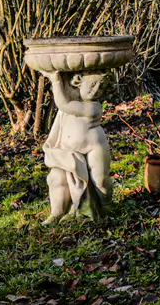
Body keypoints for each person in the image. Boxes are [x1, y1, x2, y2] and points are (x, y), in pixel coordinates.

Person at [43, 70, 112, 224]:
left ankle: (106, 205)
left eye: (100, 88)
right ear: (78, 82)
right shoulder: (73, 105)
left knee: (100, 181)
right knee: (57, 178)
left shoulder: (93, 107)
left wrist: (55, 81)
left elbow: (64, 104)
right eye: (92, 85)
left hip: (94, 148)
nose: (95, 91)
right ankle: (61, 211)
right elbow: (65, 105)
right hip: (70, 151)